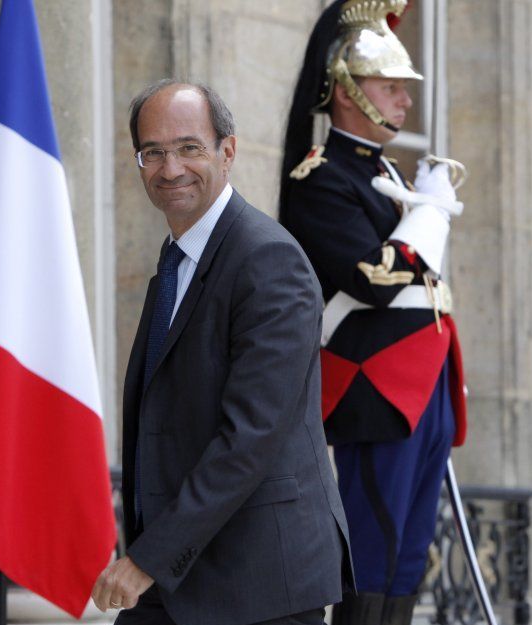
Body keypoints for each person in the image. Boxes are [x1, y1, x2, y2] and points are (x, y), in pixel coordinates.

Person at [92, 80, 350, 625]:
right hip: (182, 573)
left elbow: (250, 438)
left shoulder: (269, 260)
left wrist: (148, 557)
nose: (170, 169)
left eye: (189, 147)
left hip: (259, 582)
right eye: (153, 152)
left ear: (227, 152)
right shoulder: (177, 255)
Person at [279, 1, 468, 623]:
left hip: (425, 380)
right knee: (374, 545)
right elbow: (373, 281)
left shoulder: (383, 172)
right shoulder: (322, 176)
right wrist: (429, 215)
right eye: (390, 88)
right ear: (347, 92)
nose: (405, 102)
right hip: (376, 385)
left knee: (410, 552)